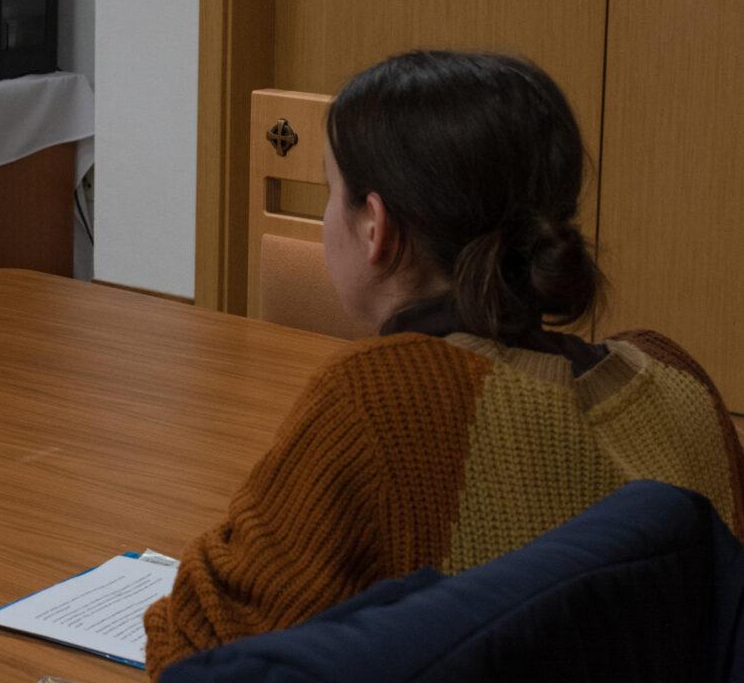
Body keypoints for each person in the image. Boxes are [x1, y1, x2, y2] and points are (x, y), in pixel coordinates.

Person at [144, 50, 744, 678]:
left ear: (376, 228)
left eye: (330, 192)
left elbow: (202, 651)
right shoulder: (681, 383)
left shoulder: (384, 399)